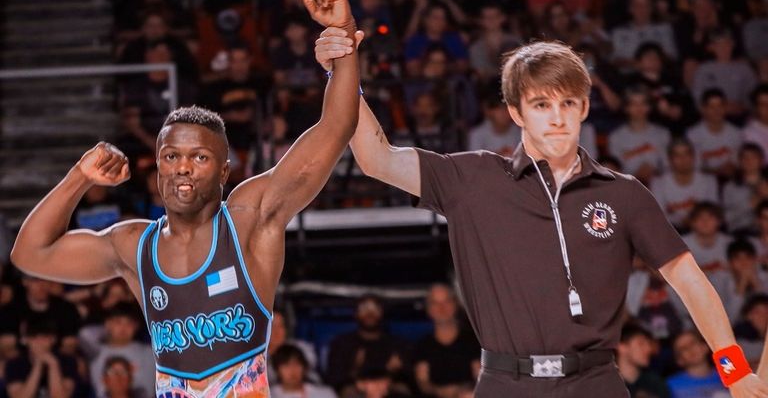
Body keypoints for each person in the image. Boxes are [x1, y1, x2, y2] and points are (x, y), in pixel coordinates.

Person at [315, 32, 768, 396]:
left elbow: (688, 278)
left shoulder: (624, 194)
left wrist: (733, 370)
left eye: (567, 103)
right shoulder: (470, 179)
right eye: (541, 104)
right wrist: (343, 72)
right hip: (504, 384)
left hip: (596, 384)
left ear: (585, 107)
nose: (557, 118)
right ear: (516, 112)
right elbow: (376, 158)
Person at [10, 0, 360, 397]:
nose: (183, 168)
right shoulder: (133, 246)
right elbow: (30, 254)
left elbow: (336, 128)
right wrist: (80, 177)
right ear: (157, 166)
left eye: (199, 157)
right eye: (171, 156)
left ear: (224, 170)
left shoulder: (249, 219)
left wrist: (345, 42)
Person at [325, 295, 410, 394]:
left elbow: (410, 378)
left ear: (382, 313)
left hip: (388, 389)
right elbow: (334, 380)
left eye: (375, 309)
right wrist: (355, 370)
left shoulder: (398, 343)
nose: (370, 313)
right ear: (356, 314)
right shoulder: (342, 343)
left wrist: (393, 373)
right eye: (364, 309)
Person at [413, 284, 480, 398]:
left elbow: (480, 376)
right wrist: (441, 392)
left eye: (446, 301)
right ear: (428, 309)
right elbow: (423, 382)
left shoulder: (473, 341)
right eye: (435, 303)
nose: (441, 308)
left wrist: (462, 391)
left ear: (455, 305)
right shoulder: (422, 345)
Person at [4, 319, 78, 398]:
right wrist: (38, 365)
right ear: (25, 340)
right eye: (34, 337)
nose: (39, 342)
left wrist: (53, 365)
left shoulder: (68, 361)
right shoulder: (14, 363)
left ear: (53, 339)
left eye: (44, 337)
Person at [667, 330, 728, 398]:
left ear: (705, 347)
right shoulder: (670, 385)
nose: (690, 349)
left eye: (693, 343)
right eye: (683, 348)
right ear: (679, 360)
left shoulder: (727, 375)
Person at [617, 323, 671, 398]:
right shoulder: (608, 384)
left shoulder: (655, 383)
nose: (648, 349)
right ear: (622, 348)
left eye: (648, 344)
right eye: (641, 344)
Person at [270, 344, 336, 398]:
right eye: (286, 365)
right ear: (277, 370)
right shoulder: (268, 395)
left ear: (304, 367)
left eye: (297, 364)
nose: (292, 370)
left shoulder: (325, 394)